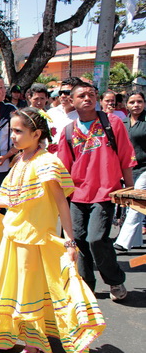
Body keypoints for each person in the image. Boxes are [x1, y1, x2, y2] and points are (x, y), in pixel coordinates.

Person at [0, 107, 105, 353]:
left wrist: (69, 241)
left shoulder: (47, 162)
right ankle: (2, 335)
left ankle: (33, 347)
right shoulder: (21, 159)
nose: (13, 136)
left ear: (36, 134)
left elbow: (61, 203)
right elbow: (14, 199)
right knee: (8, 288)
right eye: (12, 130)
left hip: (34, 241)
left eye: (19, 131)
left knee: (28, 293)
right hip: (14, 236)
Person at [56, 81, 136, 301]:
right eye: (81, 95)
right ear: (71, 101)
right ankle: (85, 285)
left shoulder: (113, 123)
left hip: (105, 192)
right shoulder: (68, 131)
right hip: (76, 195)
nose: (87, 98)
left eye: (91, 94)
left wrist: (129, 191)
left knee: (96, 239)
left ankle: (114, 280)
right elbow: (63, 168)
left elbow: (126, 158)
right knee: (78, 240)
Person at [113, 91, 146, 251]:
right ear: (126, 105)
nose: (136, 105)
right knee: (130, 202)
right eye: (132, 102)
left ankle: (123, 242)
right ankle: (136, 240)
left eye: (139, 101)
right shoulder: (123, 123)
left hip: (145, 168)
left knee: (136, 203)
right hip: (128, 169)